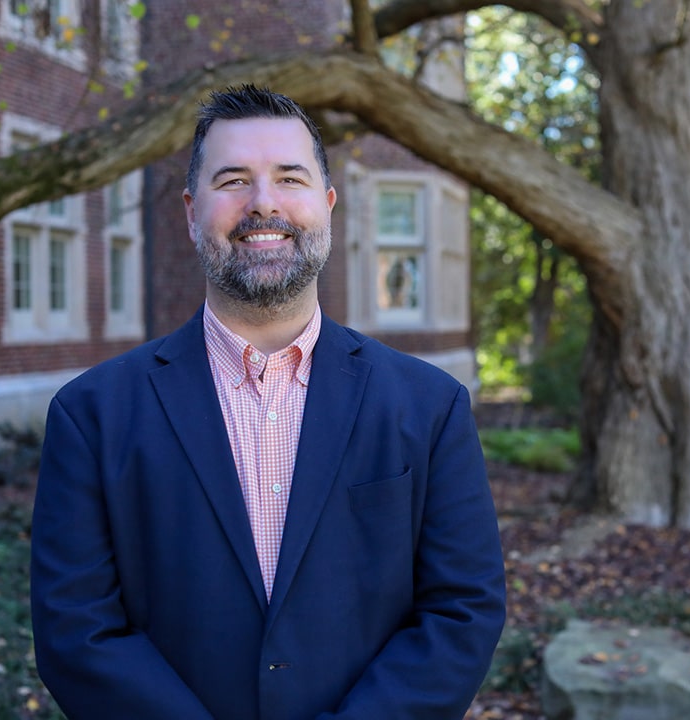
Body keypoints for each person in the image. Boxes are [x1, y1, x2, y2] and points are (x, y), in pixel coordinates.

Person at [30, 85, 506, 720]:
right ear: (191, 212)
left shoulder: (430, 408)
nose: (263, 204)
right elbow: (76, 632)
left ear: (327, 206)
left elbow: (461, 609)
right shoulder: (92, 415)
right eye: (233, 180)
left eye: (290, 178)